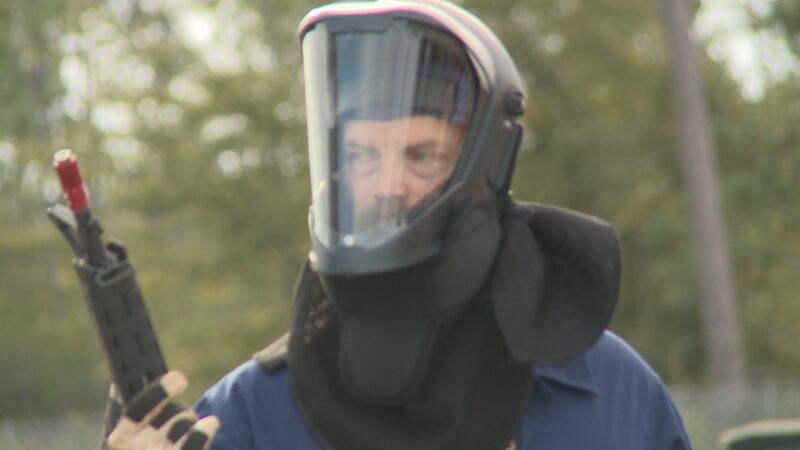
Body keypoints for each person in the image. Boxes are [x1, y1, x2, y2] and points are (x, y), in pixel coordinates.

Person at [105, 1, 692, 449]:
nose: (387, 185)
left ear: (487, 163)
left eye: (421, 155)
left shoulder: (612, 395)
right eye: (362, 156)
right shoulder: (254, 409)